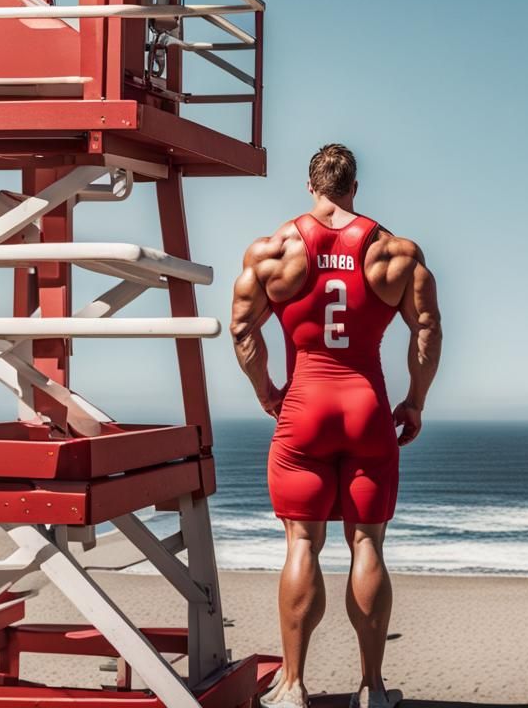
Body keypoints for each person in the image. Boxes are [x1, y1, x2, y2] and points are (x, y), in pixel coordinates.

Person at [229, 143, 443, 708]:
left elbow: (242, 330)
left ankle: (293, 687)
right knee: (367, 543)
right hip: (366, 407)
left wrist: (266, 390)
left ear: (311, 186)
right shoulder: (393, 251)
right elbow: (426, 327)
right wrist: (415, 401)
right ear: (355, 187)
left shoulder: (274, 249)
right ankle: (372, 689)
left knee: (302, 542)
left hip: (304, 408)